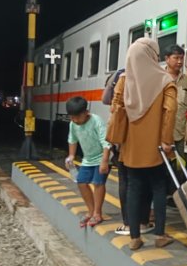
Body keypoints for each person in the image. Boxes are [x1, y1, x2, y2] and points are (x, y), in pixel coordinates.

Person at [109, 38, 177, 251]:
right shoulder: (165, 81)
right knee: (158, 187)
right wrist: (166, 140)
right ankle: (159, 235)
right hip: (156, 146)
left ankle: (135, 237)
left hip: (130, 146)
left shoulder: (124, 80)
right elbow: (170, 112)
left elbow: (116, 109)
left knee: (134, 188)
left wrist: (120, 138)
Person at [65, 96, 111, 228]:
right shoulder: (73, 124)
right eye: (72, 118)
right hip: (87, 159)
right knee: (81, 182)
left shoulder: (96, 121)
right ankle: (90, 211)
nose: (74, 120)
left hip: (101, 157)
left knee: (98, 183)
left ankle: (97, 213)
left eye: (77, 117)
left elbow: (106, 142)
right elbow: (72, 139)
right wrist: (71, 155)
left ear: (86, 112)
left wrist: (105, 161)